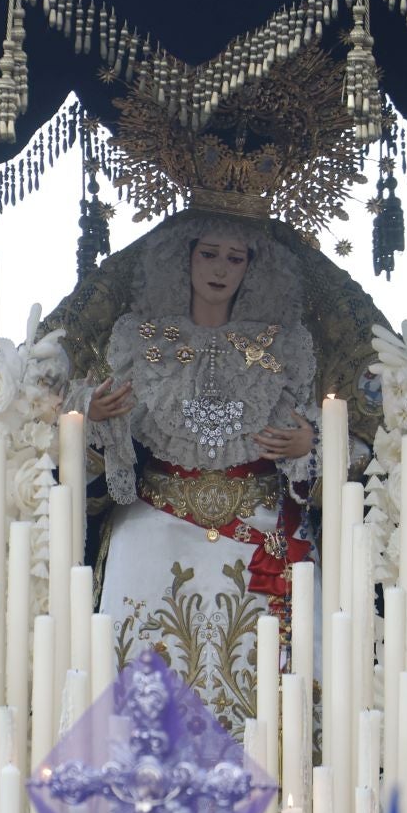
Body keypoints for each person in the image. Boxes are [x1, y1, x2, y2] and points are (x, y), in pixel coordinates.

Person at [70, 212, 318, 727]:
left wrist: (308, 444)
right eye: (208, 254)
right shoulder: (138, 340)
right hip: (155, 518)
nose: (220, 269)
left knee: (263, 670)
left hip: (256, 524)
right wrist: (93, 415)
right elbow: (101, 423)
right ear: (182, 258)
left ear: (254, 268)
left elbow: (320, 427)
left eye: (235, 258)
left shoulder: (284, 346)